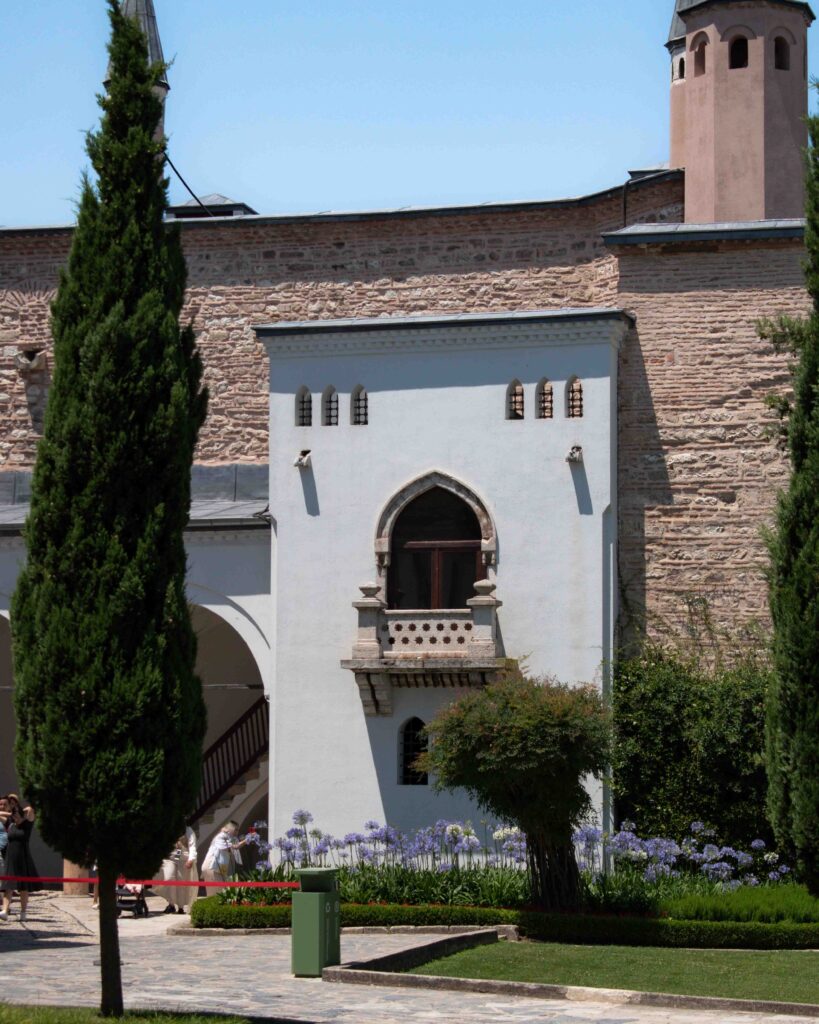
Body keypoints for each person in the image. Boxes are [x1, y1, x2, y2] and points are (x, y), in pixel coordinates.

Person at [0, 794, 38, 923]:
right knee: (8, 885)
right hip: (10, 857)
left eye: (17, 815)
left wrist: (23, 810)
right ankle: (5, 910)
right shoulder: (10, 824)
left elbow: (32, 810)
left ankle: (23, 912)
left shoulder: (27, 825)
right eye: (13, 815)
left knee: (23, 887)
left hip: (23, 857)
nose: (15, 817)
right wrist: (11, 814)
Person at [159, 825, 198, 914]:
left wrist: (191, 859)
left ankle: (180, 907)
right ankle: (171, 904)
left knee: (181, 882)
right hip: (172, 855)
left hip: (183, 856)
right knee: (169, 878)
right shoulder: (170, 826)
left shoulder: (188, 830)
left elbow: (192, 846)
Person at [201, 820, 246, 893]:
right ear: (229, 829)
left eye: (238, 830)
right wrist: (246, 841)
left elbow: (236, 845)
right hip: (212, 867)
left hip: (219, 868)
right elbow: (234, 846)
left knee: (221, 892)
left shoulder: (229, 838)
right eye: (235, 830)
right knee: (216, 894)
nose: (237, 832)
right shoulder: (221, 836)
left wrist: (246, 840)